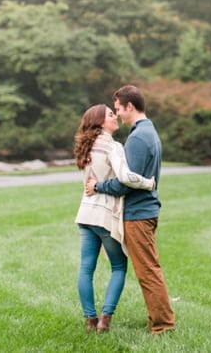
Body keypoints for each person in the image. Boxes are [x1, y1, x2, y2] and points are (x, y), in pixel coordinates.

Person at [85, 85, 175, 335]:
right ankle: (157, 319)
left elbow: (126, 181)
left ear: (130, 107)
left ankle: (163, 326)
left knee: (147, 271)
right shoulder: (148, 131)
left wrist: (98, 186)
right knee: (148, 268)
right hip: (145, 211)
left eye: (118, 109)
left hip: (138, 214)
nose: (118, 115)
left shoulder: (137, 137)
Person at [73, 104, 155, 334]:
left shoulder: (85, 147)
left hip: (85, 213)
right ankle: (105, 320)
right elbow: (125, 177)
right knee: (119, 266)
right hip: (105, 215)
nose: (115, 116)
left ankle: (90, 320)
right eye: (110, 114)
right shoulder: (113, 146)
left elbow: (87, 184)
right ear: (100, 122)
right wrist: (148, 182)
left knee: (86, 268)